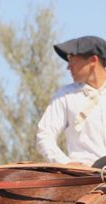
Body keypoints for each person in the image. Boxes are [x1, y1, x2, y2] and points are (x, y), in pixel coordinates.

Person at [36, 36, 106, 167]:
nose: (68, 67)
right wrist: (66, 163)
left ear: (93, 60)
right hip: (83, 175)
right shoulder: (65, 95)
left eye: (73, 61)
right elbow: (44, 136)